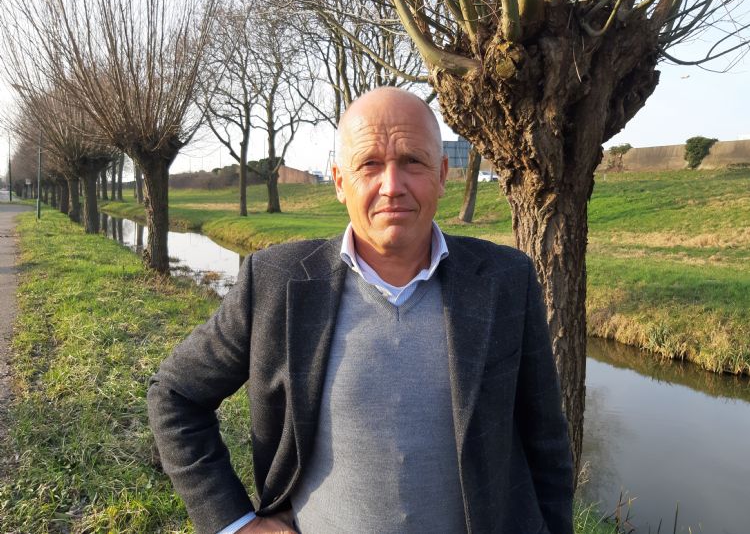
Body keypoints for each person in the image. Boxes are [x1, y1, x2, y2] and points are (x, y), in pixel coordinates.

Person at [147, 87, 574, 534]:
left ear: (442, 174)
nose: (392, 186)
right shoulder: (274, 283)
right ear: (339, 181)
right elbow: (175, 394)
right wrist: (234, 523)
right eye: (369, 164)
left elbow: (546, 442)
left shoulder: (507, 280)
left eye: (413, 161)